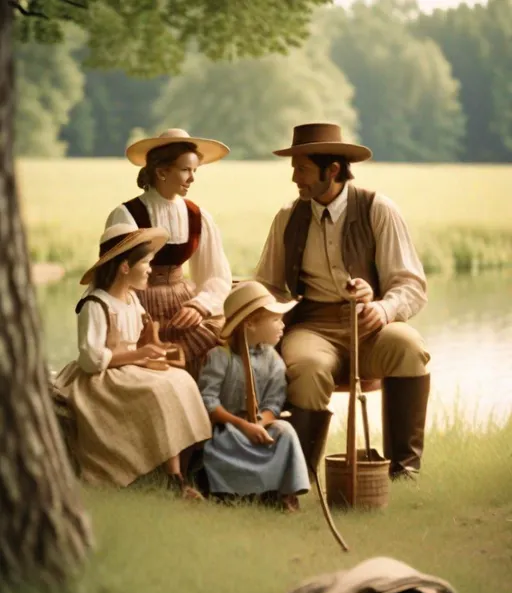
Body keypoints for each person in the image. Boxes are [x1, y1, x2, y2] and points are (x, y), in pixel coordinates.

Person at [255, 123, 430, 480]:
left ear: (332, 169)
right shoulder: (288, 217)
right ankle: (298, 480)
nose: (294, 178)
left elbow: (410, 284)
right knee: (305, 367)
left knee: (409, 345)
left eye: (301, 168)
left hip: (371, 327)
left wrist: (383, 308)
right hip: (312, 326)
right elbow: (268, 285)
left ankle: (404, 471)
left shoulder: (378, 209)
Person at [53, 223, 212, 498]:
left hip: (129, 366)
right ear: (125, 266)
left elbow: (141, 339)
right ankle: (169, 477)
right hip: (101, 376)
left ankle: (183, 467)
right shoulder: (96, 304)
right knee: (157, 391)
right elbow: (91, 359)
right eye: (147, 263)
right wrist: (137, 356)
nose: (151, 269)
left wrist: (155, 350)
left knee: (181, 380)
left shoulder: (131, 299)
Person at [105, 128, 232, 378]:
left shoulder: (198, 216)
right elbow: (113, 274)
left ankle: (205, 413)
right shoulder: (128, 214)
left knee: (213, 352)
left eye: (195, 170)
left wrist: (199, 306)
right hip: (137, 305)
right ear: (162, 171)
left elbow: (216, 275)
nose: (192, 178)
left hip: (183, 306)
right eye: (185, 170)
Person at [198, 281, 311, 511]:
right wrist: (242, 425)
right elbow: (208, 400)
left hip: (259, 424)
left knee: (286, 433)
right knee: (221, 445)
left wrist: (261, 423)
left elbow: (274, 401)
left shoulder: (272, 360)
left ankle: (282, 491)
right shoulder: (220, 357)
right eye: (275, 320)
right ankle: (231, 491)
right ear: (250, 323)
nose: (282, 325)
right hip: (229, 426)